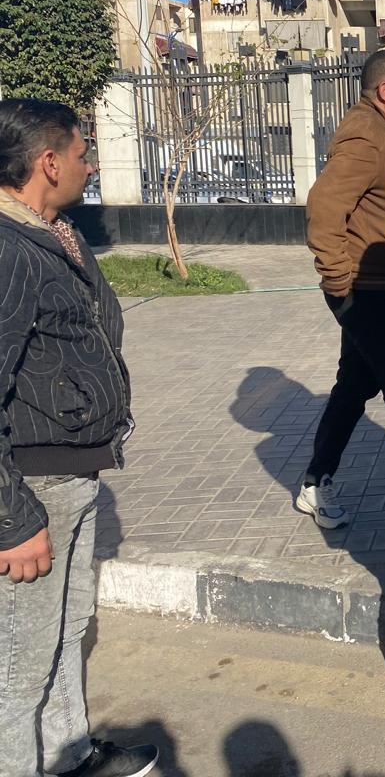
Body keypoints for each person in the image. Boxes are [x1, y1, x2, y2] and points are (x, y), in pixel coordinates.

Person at [0, 99, 160, 777]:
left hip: (72, 471)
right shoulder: (8, 249)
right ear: (48, 162)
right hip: (31, 485)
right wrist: (12, 519)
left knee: (67, 632)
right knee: (19, 664)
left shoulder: (51, 232)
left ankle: (70, 755)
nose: (90, 166)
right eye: (82, 153)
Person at [303, 50, 385, 529]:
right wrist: (341, 283)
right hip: (371, 289)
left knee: (356, 384)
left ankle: (315, 480)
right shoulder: (366, 134)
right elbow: (324, 208)